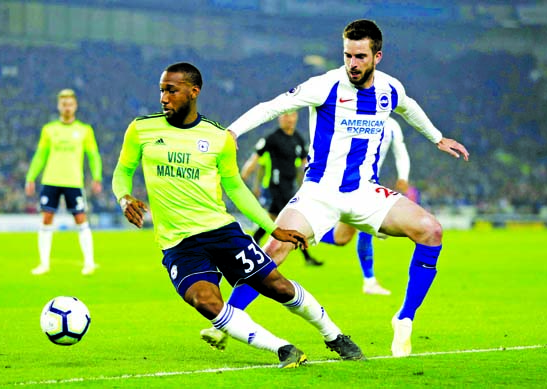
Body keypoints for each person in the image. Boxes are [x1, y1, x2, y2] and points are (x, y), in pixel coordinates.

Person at [205, 20, 469, 358]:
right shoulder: (326, 85)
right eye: (347, 55)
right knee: (274, 250)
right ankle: (227, 320)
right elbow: (273, 106)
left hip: (364, 192)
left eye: (360, 56)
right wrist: (232, 132)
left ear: (378, 56)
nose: (352, 64)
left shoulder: (390, 89)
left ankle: (404, 318)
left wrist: (437, 138)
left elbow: (409, 107)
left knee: (431, 230)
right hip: (319, 192)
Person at [111, 62, 365, 368]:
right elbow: (123, 171)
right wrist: (124, 197)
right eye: (162, 90)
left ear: (193, 92)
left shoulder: (218, 138)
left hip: (221, 231)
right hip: (178, 244)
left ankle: (334, 335)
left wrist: (273, 228)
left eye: (171, 90)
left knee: (277, 286)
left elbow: (236, 188)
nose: (164, 98)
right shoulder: (141, 130)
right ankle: (284, 349)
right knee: (205, 302)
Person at [321, 116, 410, 295]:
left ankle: (299, 233)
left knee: (341, 238)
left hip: (368, 184)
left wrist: (403, 176)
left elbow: (401, 151)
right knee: (369, 228)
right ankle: (369, 281)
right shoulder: (355, 116)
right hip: (346, 182)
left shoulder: (391, 126)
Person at [25, 89, 102, 275]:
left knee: (81, 219)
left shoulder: (85, 130)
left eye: (70, 104)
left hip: (74, 182)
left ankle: (89, 262)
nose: (67, 107)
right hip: (50, 180)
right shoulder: (49, 130)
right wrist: (30, 177)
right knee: (46, 219)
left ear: (75, 106)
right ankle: (44, 264)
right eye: (63, 104)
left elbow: (93, 156)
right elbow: (40, 155)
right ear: (59, 106)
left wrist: (97, 177)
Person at [240, 111, 323, 267]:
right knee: (290, 222)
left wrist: (307, 184)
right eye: (286, 116)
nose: (289, 119)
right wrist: (242, 176)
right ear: (280, 118)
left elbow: (305, 164)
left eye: (292, 116)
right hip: (275, 187)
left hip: (290, 186)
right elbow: (256, 158)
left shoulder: (298, 139)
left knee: (273, 221)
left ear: (296, 117)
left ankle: (252, 245)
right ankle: (307, 257)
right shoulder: (272, 138)